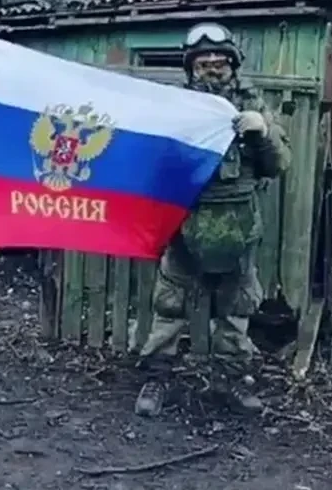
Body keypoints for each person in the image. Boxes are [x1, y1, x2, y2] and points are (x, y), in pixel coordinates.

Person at [133, 21, 291, 417]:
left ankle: (231, 381)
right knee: (169, 305)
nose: (212, 71)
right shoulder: (177, 106)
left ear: (232, 66)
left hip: (239, 225)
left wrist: (263, 132)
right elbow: (153, 163)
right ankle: (157, 379)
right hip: (186, 222)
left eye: (220, 63)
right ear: (191, 68)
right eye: (203, 64)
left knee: (236, 308)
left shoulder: (253, 106)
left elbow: (279, 165)